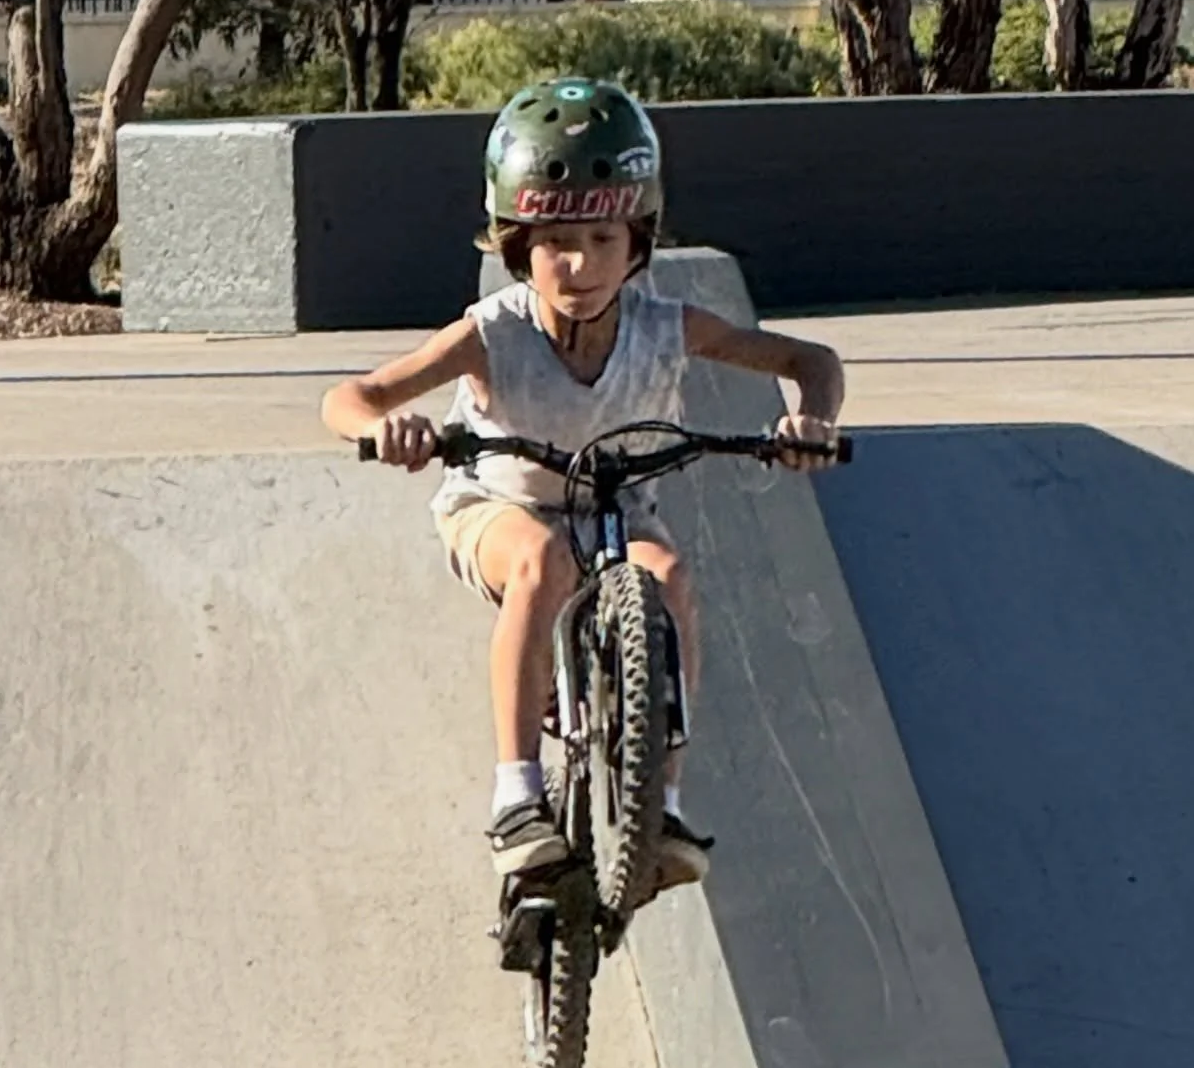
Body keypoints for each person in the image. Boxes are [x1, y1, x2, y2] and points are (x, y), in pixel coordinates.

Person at [321, 77, 844, 895]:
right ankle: (516, 797)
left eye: (604, 238)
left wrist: (810, 420)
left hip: (616, 511)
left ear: (637, 241)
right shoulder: (492, 334)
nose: (580, 264)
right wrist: (386, 431)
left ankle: (661, 806)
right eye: (556, 242)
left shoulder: (665, 327)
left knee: (669, 576)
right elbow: (351, 397)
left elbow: (810, 361)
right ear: (515, 245)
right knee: (541, 560)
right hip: (500, 507)